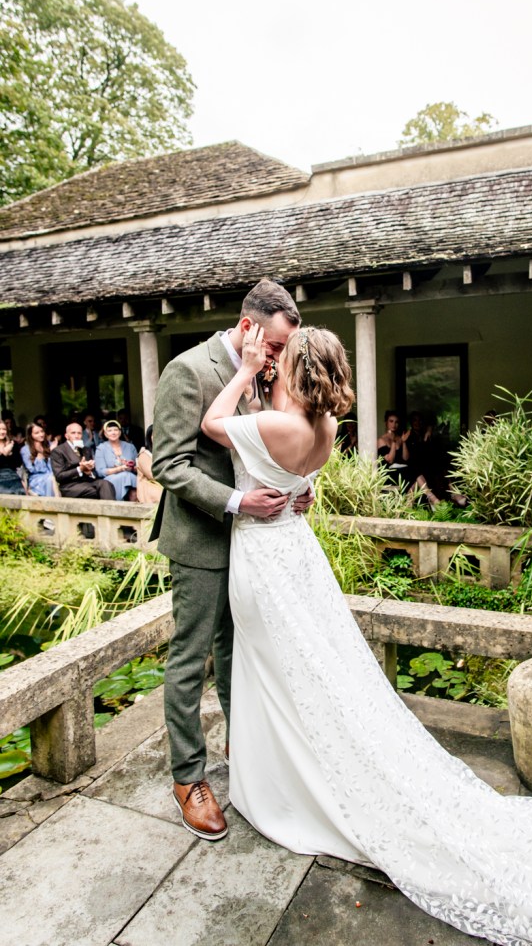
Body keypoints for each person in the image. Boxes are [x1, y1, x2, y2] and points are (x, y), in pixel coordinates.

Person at [200, 324, 532, 946]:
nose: (271, 364)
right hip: (295, 554)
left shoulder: (277, 426)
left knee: (281, 674)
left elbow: (215, 422)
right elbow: (296, 478)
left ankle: (286, 791)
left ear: (295, 369)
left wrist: (240, 369)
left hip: (267, 563)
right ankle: (283, 774)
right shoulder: (321, 430)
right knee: (310, 675)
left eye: (281, 358)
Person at [151, 277, 307, 842]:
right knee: (191, 658)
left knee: (237, 650)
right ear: (247, 327)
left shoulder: (260, 376)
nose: (276, 359)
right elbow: (168, 465)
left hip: (251, 545)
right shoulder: (187, 371)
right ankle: (188, 777)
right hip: (200, 540)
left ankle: (243, 752)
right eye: (273, 347)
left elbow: (259, 447)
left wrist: (289, 488)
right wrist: (239, 501)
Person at [378, 409, 439, 507]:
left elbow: (405, 458)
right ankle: (432, 498)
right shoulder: (381, 440)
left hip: (403, 471)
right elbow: (390, 459)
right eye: (391, 421)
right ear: (386, 423)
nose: (394, 424)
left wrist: (404, 442)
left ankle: (407, 505)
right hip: (390, 473)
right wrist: (393, 442)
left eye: (396, 422)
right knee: (416, 472)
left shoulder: (400, 437)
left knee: (416, 477)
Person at [50, 422, 116, 500]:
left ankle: (108, 511)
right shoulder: (58, 451)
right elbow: (59, 476)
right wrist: (80, 469)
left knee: (107, 484)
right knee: (102, 491)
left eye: (79, 433)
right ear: (66, 436)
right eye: (73, 433)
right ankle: (109, 511)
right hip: (70, 486)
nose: (77, 436)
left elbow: (94, 472)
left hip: (87, 482)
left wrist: (89, 472)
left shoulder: (86, 450)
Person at [95, 419, 138, 500]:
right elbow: (100, 472)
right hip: (110, 480)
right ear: (105, 434)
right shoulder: (101, 448)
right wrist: (119, 469)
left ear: (120, 432)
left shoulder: (130, 447)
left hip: (131, 477)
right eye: (110, 430)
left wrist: (131, 468)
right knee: (126, 476)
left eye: (115, 430)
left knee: (131, 478)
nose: (113, 432)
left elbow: (139, 468)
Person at [20, 422, 55, 497]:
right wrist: (45, 454)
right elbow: (32, 469)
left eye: (42, 431)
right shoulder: (25, 450)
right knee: (50, 479)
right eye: (37, 433)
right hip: (37, 477)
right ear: (31, 435)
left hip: (52, 474)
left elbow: (54, 464)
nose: (41, 434)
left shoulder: (49, 444)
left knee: (53, 478)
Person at [135, 425, 163, 505]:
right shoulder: (144, 455)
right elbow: (152, 475)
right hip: (151, 492)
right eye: (155, 434)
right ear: (149, 437)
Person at [0, 418, 25, 495]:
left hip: (12, 475)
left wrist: (10, 452)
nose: (2, 432)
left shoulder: (12, 444)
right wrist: (3, 453)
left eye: (4, 429)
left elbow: (18, 463)